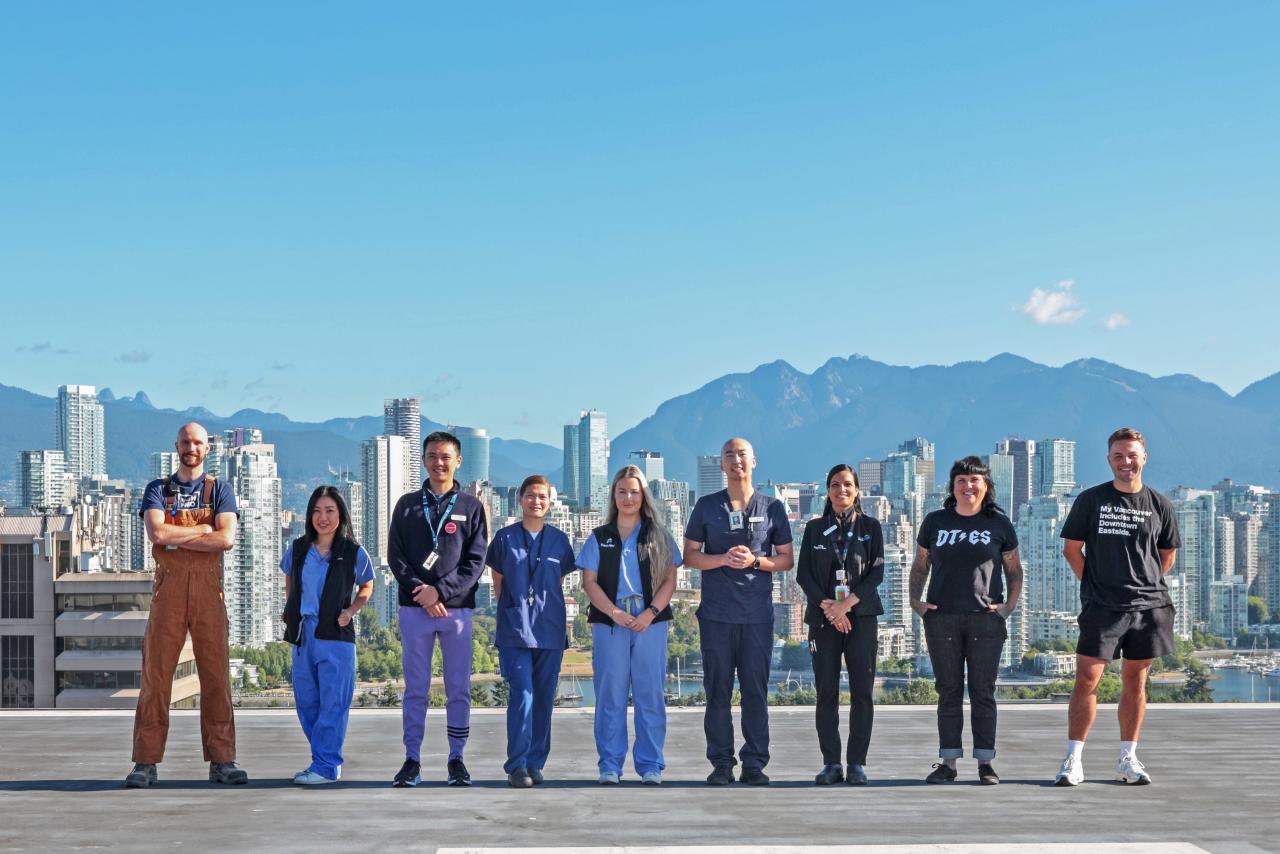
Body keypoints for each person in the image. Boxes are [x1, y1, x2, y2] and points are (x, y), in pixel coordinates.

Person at [1054, 427, 1180, 787]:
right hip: (1102, 607)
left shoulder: (1159, 504)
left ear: (1144, 457)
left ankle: (1128, 757)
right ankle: (1073, 759)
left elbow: (1166, 555)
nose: (1126, 462)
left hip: (1149, 607)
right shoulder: (1091, 500)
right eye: (1119, 456)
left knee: (1136, 682)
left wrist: (1144, 583)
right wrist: (1094, 585)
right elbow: (1072, 549)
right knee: (1086, 681)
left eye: (1132, 455)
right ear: (1109, 460)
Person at [126, 422, 246, 788]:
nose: (191, 447)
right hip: (169, 593)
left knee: (215, 677)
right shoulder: (157, 490)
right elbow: (157, 533)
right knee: (156, 677)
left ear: (207, 448)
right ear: (176, 445)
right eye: (185, 442)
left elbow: (225, 539)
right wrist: (202, 532)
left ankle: (223, 759)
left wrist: (182, 539)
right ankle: (145, 762)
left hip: (210, 593)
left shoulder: (220, 490)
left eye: (197, 442)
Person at [684, 438, 794, 786]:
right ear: (721, 465)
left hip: (757, 616)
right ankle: (720, 763)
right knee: (717, 691)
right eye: (729, 455)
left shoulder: (773, 507)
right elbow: (689, 556)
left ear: (754, 462)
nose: (736, 460)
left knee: (755, 692)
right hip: (716, 614)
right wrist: (721, 559)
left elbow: (786, 559)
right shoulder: (705, 506)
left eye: (742, 454)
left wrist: (755, 562)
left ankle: (754, 763)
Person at [910, 456, 1023, 785]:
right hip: (941, 618)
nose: (968, 486)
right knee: (948, 691)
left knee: (982, 691)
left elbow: (1014, 571)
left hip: (986, 620)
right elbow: (920, 566)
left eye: (974, 480)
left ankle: (985, 763)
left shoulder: (999, 524)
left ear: (986, 486)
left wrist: (1007, 609)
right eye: (961, 480)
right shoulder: (935, 522)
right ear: (952, 486)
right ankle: (948, 762)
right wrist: (917, 604)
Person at [387, 431, 488, 787]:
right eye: (432, 456)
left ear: (458, 461)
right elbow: (395, 557)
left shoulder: (471, 508)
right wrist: (420, 592)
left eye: (445, 456)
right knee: (416, 687)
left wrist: (439, 593)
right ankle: (412, 758)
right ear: (424, 460)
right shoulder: (407, 505)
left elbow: (476, 562)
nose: (438, 462)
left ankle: (456, 758)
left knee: (458, 686)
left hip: (456, 611)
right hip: (414, 609)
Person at [579, 465, 682, 785]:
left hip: (650, 622)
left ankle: (651, 765)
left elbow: (669, 580)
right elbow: (589, 582)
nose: (628, 497)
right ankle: (609, 765)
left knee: (650, 695)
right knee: (610, 695)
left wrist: (650, 612)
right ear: (613, 495)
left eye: (634, 492)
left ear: (643, 496)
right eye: (622, 491)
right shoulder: (600, 537)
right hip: (610, 624)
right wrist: (613, 613)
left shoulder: (658, 536)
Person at [484, 475, 577, 788]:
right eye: (530, 495)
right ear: (520, 499)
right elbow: (498, 577)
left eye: (542, 497)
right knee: (522, 695)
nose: (536, 501)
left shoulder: (560, 541)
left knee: (544, 698)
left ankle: (537, 762)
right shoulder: (505, 537)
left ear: (550, 502)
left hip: (550, 628)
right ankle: (517, 765)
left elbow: (558, 580)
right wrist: (512, 609)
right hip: (515, 628)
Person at [796, 464, 884, 786]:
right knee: (826, 692)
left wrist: (846, 606)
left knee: (862, 692)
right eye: (835, 485)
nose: (841, 490)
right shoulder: (815, 527)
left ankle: (857, 763)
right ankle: (831, 762)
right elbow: (803, 574)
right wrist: (830, 608)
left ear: (857, 490)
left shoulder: (871, 527)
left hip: (861, 617)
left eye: (847, 484)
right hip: (823, 620)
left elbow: (876, 573)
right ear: (827, 490)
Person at [280, 486, 375, 785]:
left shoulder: (353, 552)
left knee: (333, 703)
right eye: (317, 511)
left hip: (336, 636)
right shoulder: (296, 549)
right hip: (303, 635)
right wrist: (293, 612)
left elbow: (367, 586)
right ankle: (323, 759)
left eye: (330, 511)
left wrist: (352, 610)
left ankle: (326, 766)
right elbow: (290, 585)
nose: (323, 517)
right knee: (307, 702)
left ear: (340, 515)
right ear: (309, 515)